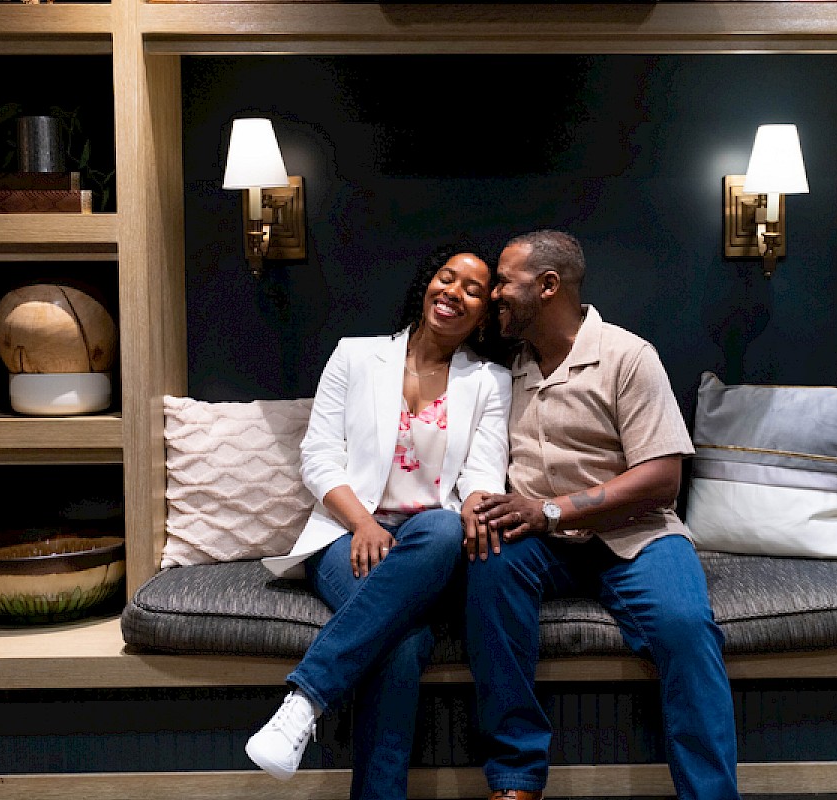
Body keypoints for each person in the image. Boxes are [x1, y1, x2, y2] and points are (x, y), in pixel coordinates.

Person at [464, 230, 740, 800]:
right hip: (539, 542)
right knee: (489, 567)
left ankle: (711, 795)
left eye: (504, 282)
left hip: (635, 535)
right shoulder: (501, 366)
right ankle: (515, 776)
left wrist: (551, 509)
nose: (493, 294)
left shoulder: (626, 356)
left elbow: (662, 478)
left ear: (547, 286)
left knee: (686, 629)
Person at [246, 246, 512, 800]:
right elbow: (317, 456)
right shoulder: (356, 356)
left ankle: (305, 699)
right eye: (447, 278)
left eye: (473, 290)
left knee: (440, 529)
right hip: (346, 537)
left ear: (484, 314)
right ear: (427, 284)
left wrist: (475, 504)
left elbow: (483, 475)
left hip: (430, 550)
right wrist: (365, 524)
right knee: (401, 642)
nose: (454, 293)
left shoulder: (489, 381)